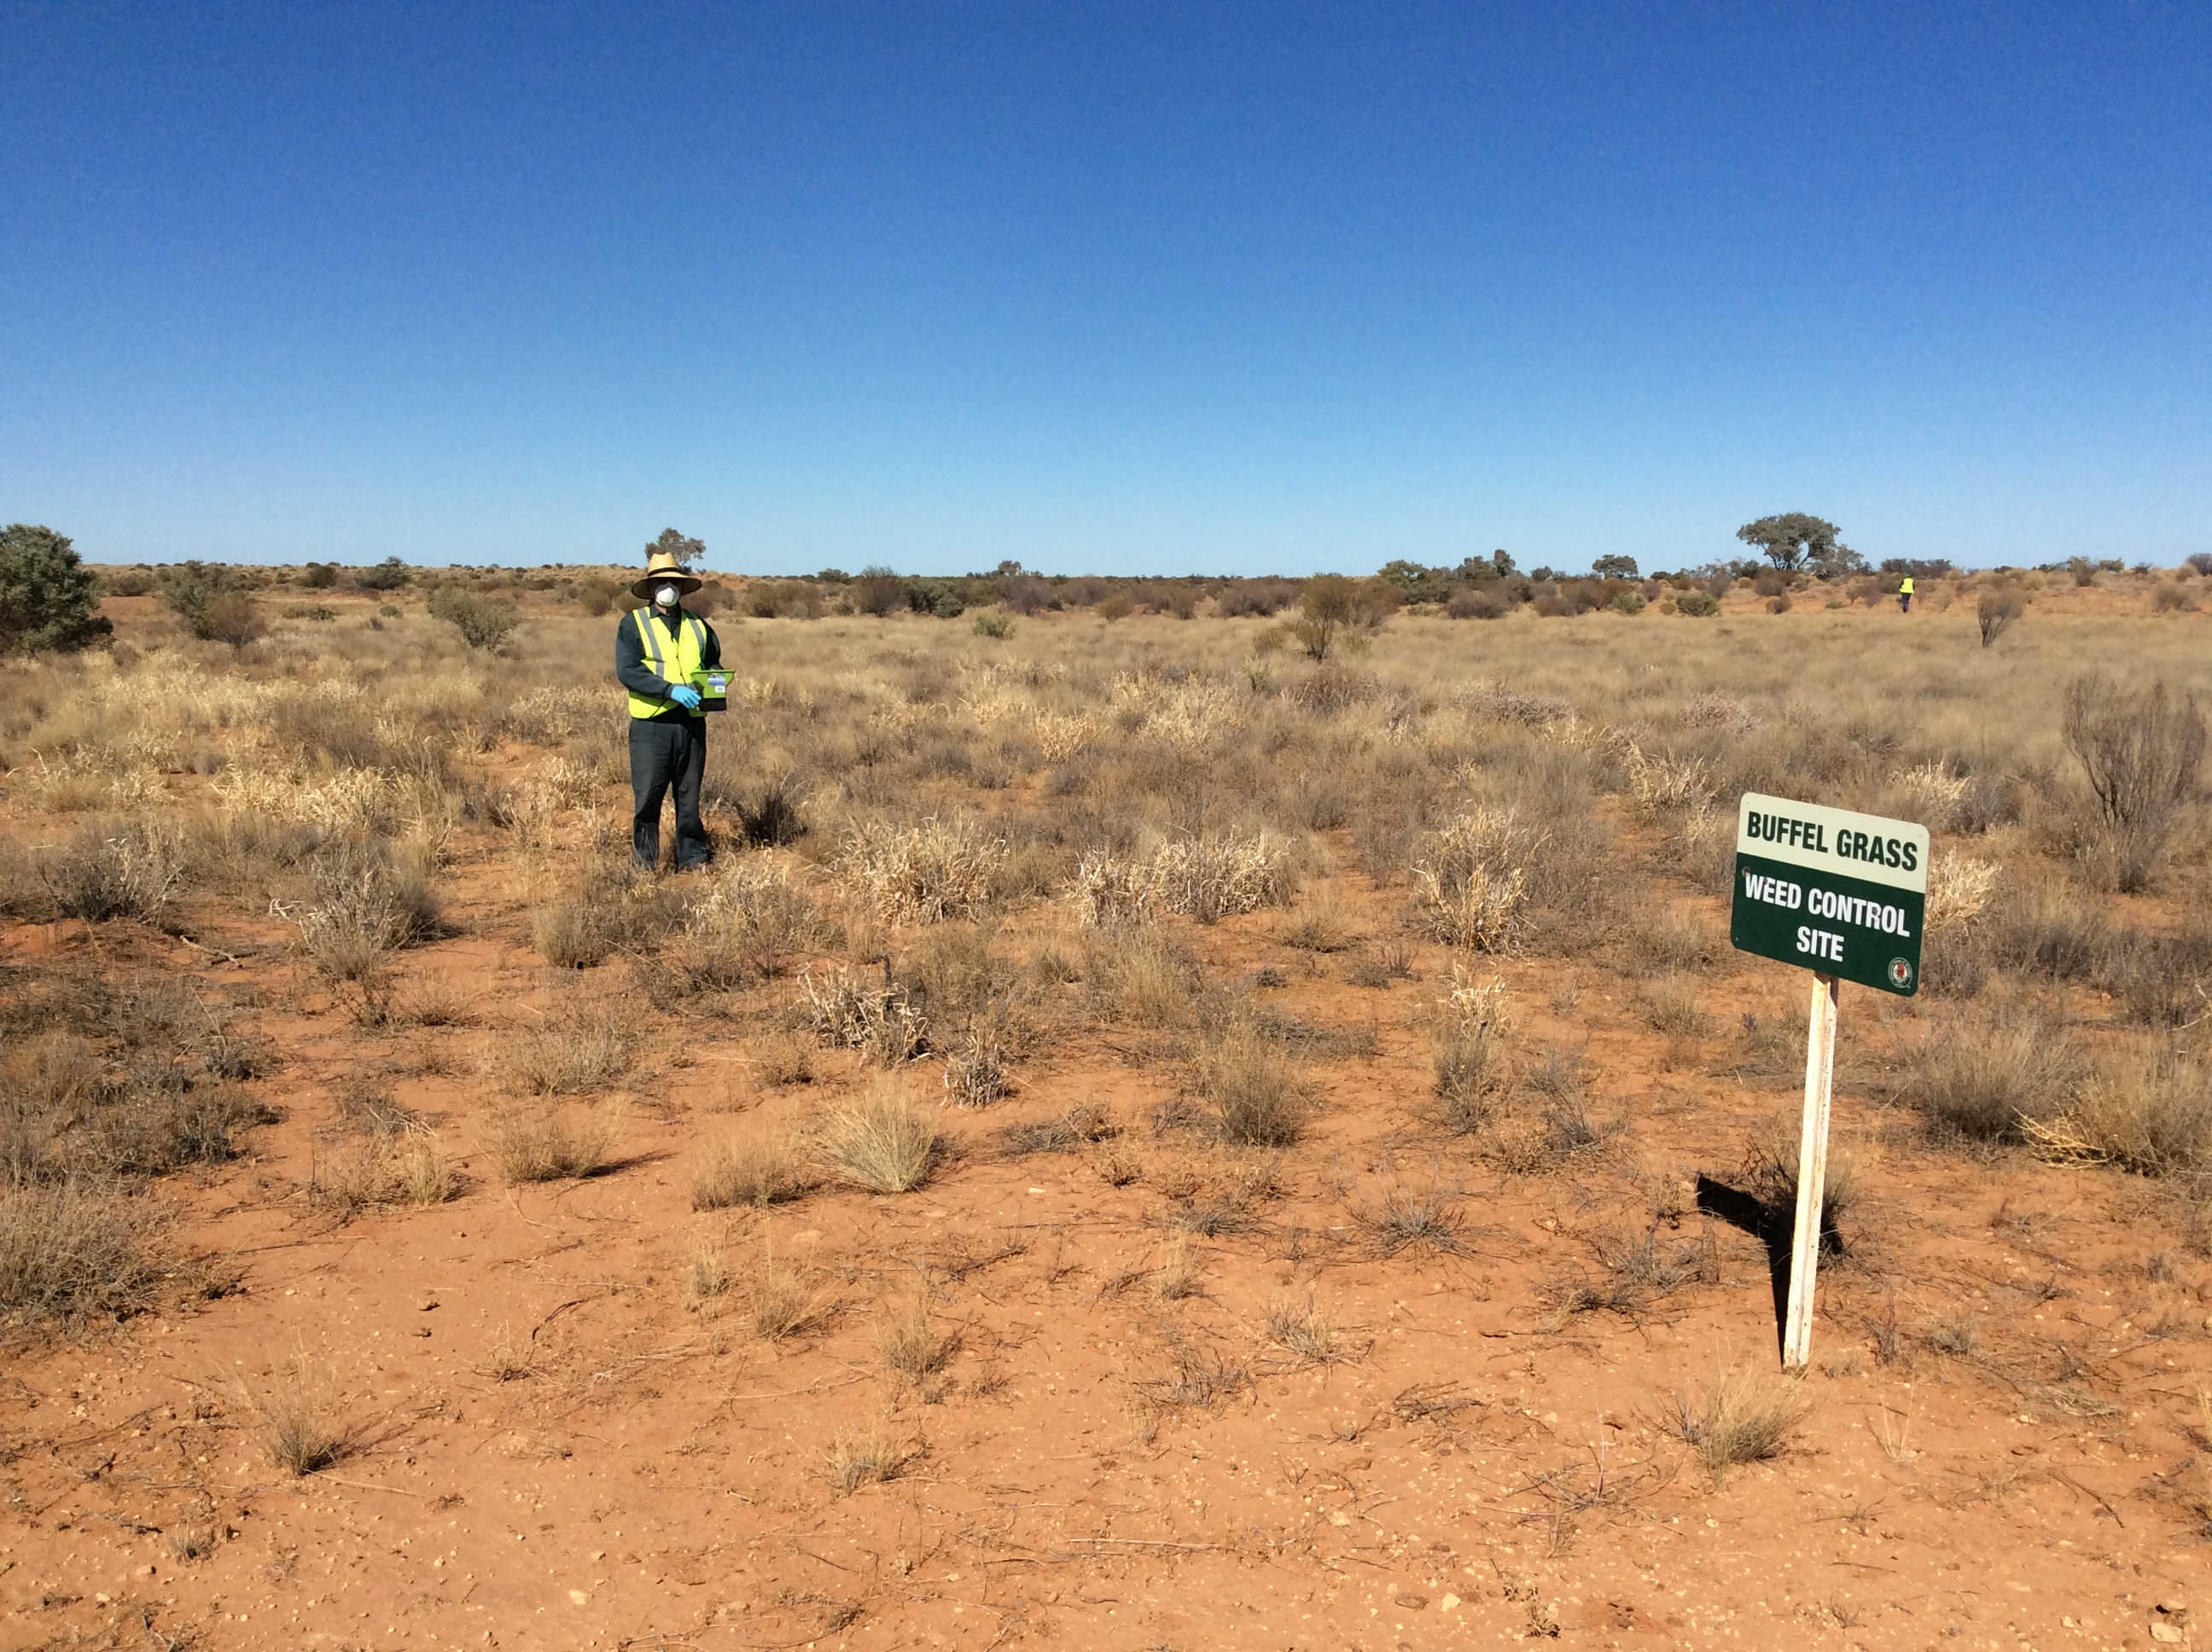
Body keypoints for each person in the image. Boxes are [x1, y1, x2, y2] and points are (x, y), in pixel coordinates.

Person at [614, 549, 722, 870]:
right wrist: (669, 690)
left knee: (689, 797)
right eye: (662, 582)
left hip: (691, 724)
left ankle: (693, 858)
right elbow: (628, 671)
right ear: (651, 589)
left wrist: (714, 686)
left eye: (673, 582)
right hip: (652, 725)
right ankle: (645, 864)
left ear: (681, 588)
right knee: (648, 797)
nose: (668, 588)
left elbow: (712, 664)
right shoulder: (633, 625)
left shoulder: (700, 626)